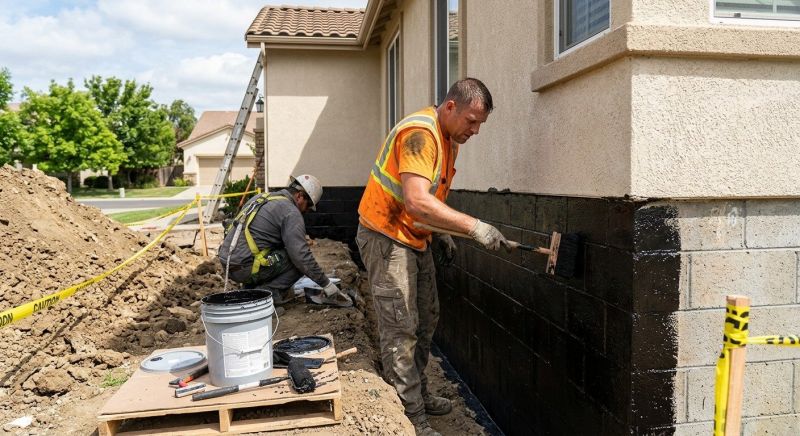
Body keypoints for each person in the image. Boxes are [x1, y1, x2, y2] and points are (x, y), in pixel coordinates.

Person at [356, 78, 507, 436]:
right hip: (386, 238)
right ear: (451, 107)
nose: (475, 130)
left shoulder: (448, 140)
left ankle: (417, 393)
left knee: (427, 318)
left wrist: (440, 233)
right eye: (472, 121)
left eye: (480, 124)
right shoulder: (421, 134)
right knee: (401, 326)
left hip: (412, 238)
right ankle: (410, 418)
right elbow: (416, 200)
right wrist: (473, 227)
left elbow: (429, 197)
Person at [218, 174, 341, 304]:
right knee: (299, 262)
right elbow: (301, 256)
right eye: (308, 205)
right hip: (245, 268)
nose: (307, 210)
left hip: (229, 264)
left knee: (281, 252)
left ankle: (250, 289)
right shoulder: (291, 212)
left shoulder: (261, 197)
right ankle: (266, 295)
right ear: (299, 196)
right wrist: (326, 284)